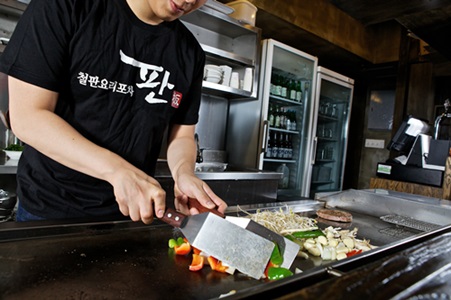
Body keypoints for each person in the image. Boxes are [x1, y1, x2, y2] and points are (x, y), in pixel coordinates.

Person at [0, 0, 227, 223]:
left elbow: (182, 136)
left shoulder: (190, 52)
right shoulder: (65, 6)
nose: (190, 0)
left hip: (131, 214)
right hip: (49, 209)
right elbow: (27, 116)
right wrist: (117, 170)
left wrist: (183, 173)